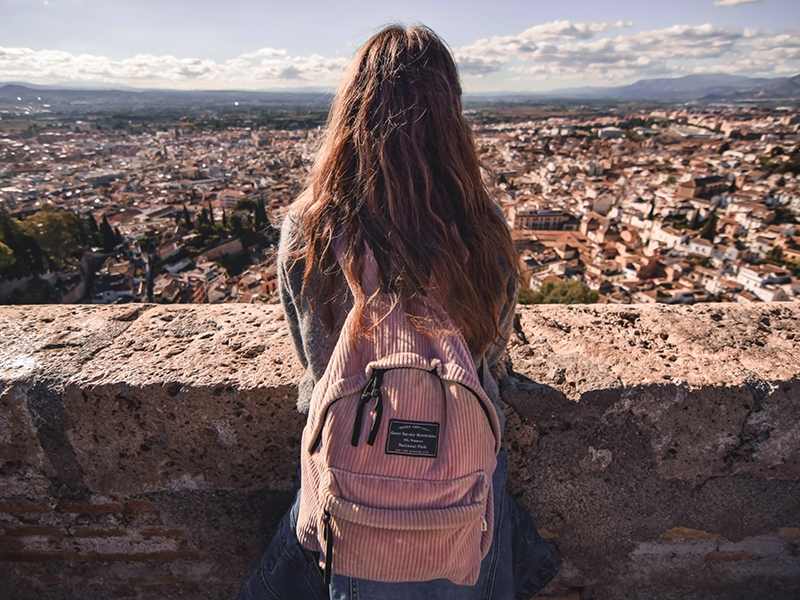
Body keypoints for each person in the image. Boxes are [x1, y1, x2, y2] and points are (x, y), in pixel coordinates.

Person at [238, 24, 558, 600]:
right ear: (450, 114)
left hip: (349, 471)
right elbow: (493, 354)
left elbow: (314, 360)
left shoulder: (309, 225)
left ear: (351, 108)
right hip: (462, 477)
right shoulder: (481, 227)